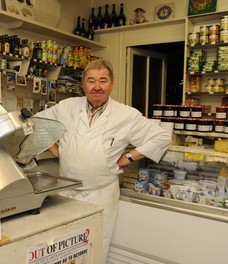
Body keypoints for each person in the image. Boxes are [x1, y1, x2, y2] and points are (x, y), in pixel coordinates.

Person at [34, 59, 171, 262]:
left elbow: (162, 137)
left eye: (103, 81)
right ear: (83, 85)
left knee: (95, 245)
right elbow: (37, 121)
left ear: (111, 84)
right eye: (91, 81)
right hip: (67, 191)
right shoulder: (67, 107)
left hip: (101, 194)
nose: (97, 87)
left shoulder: (126, 115)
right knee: (63, 248)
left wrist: (129, 157)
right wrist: (54, 149)